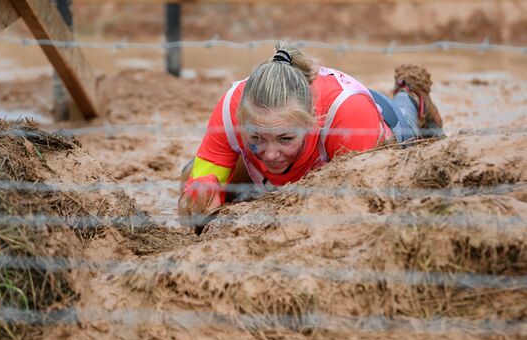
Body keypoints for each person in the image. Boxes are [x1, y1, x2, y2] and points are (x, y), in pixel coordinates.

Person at [178, 41, 443, 232]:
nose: (270, 153)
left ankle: (409, 94)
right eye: (256, 138)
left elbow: (361, 211)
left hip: (374, 120)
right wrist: (200, 199)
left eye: (285, 138)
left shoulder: (346, 116)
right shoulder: (230, 109)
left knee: (407, 138)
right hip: (317, 138)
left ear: (311, 122)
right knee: (193, 180)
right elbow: (197, 194)